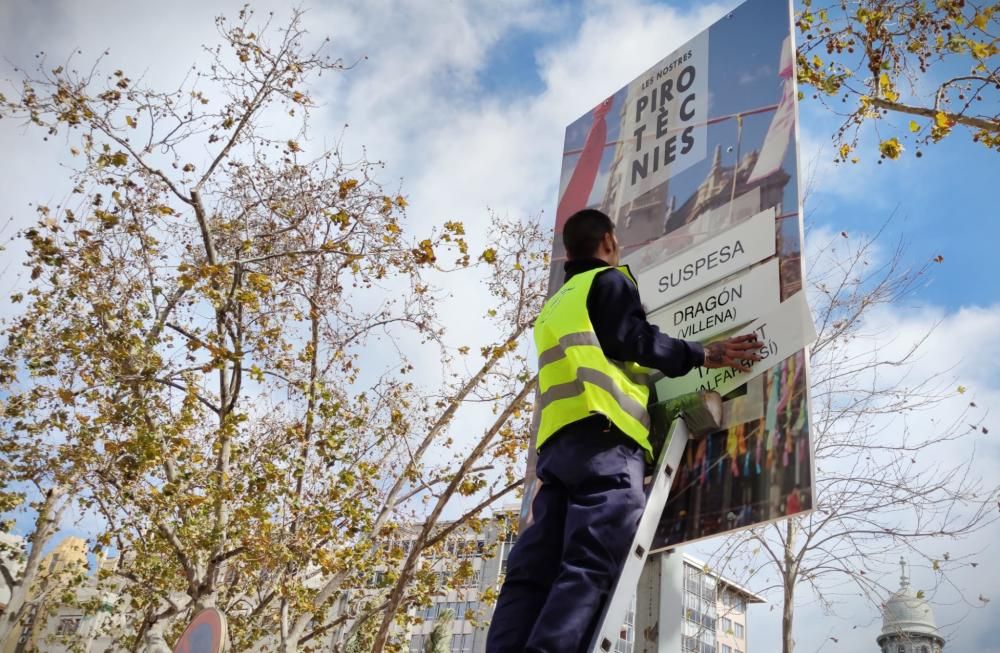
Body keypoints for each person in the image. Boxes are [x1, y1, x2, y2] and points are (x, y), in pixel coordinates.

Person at [485, 209, 761, 653]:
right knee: (592, 557)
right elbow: (633, 338)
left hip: (557, 450)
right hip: (606, 439)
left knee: (532, 571)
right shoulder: (608, 282)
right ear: (609, 242)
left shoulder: (554, 306)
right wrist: (703, 354)